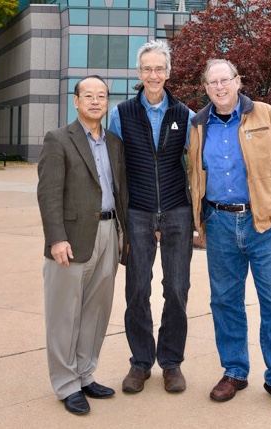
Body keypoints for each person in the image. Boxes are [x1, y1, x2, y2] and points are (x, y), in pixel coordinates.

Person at [187, 59, 271, 413]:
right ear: (205, 88)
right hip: (219, 224)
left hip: (262, 224)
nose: (220, 87)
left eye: (225, 80)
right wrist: (197, 219)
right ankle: (235, 371)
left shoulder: (265, 115)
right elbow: (192, 172)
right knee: (225, 302)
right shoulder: (197, 124)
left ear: (238, 82)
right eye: (212, 82)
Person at [37, 75, 127, 415]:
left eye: (101, 96)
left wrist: (125, 235)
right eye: (88, 95)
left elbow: (121, 192)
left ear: (107, 102)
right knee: (64, 315)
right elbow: (48, 194)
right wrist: (56, 237)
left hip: (108, 234)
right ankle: (65, 384)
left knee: (96, 312)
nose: (95, 101)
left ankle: (85, 374)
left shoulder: (115, 143)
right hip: (71, 240)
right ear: (75, 101)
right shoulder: (58, 139)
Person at [109, 40, 194, 394]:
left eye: (159, 69)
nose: (153, 75)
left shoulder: (186, 115)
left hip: (177, 211)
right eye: (147, 69)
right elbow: (111, 166)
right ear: (139, 73)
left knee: (176, 289)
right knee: (137, 290)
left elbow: (196, 164)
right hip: (138, 213)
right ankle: (141, 363)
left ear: (169, 73)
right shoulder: (121, 113)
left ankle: (171, 363)